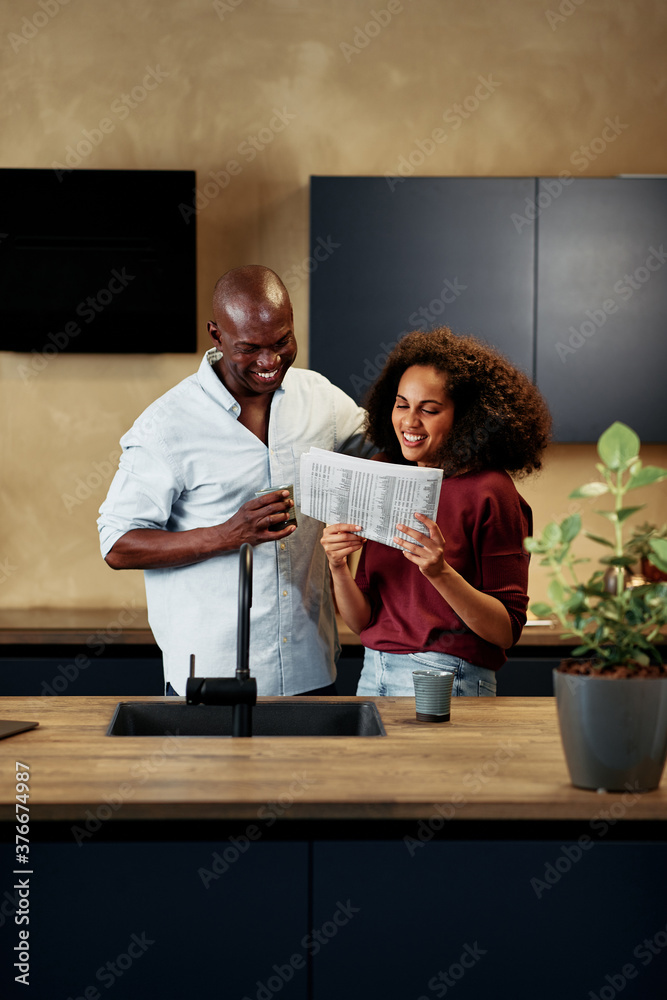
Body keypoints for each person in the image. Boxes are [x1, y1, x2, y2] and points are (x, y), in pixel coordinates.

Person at [98, 265, 370, 696]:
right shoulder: (167, 425)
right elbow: (116, 545)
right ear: (216, 335)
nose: (269, 361)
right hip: (210, 679)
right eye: (250, 347)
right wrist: (228, 535)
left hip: (310, 671)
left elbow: (383, 457)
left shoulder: (321, 399)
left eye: (282, 342)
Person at [320, 327, 551, 697]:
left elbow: (506, 631)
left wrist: (439, 571)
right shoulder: (385, 474)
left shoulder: (490, 491)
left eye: (429, 409)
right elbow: (361, 620)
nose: (410, 421)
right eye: (401, 404)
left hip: (450, 678)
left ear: (465, 417)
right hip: (372, 672)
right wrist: (336, 566)